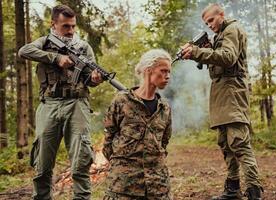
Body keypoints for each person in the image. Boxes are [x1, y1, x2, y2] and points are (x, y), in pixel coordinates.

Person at [18, 5, 102, 200]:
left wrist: (95, 79)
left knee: (81, 160)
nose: (71, 31)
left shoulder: (83, 47)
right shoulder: (45, 42)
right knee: (42, 163)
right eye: (66, 26)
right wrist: (56, 58)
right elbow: (24, 50)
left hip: (77, 104)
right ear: (53, 24)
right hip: (49, 104)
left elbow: (89, 79)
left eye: (73, 26)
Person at [181, 3, 263, 200]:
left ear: (221, 15)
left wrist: (197, 52)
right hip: (221, 96)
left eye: (211, 19)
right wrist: (204, 51)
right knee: (226, 145)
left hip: (233, 94)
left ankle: (254, 192)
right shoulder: (219, 36)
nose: (209, 25)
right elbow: (217, 68)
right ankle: (233, 189)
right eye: (206, 22)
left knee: (239, 144)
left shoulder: (232, 29)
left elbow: (228, 58)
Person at [102, 49, 173, 200]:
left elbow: (164, 142)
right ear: (148, 70)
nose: (168, 76)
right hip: (123, 188)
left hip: (157, 187)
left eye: (169, 72)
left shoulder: (165, 107)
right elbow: (108, 140)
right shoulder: (122, 101)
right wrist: (122, 168)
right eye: (163, 71)